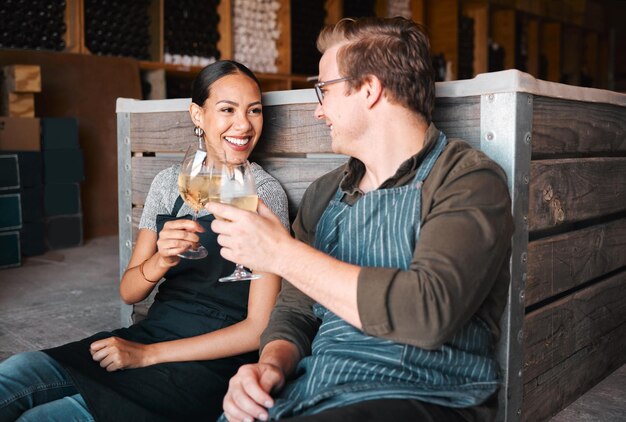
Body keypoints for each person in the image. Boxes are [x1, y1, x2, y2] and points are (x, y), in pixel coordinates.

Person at [207, 17, 514, 422]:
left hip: (420, 394)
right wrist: (270, 365)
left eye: (324, 90)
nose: (318, 111)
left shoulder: (467, 178)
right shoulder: (326, 192)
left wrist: (281, 254)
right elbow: (296, 310)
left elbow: (429, 311)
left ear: (369, 89)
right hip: (320, 385)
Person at [0, 60, 289, 422]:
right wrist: (161, 261)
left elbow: (258, 327)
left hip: (208, 363)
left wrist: (147, 355)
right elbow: (129, 291)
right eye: (227, 109)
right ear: (197, 116)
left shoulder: (263, 193)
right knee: (19, 370)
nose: (244, 124)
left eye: (254, 111)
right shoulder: (169, 183)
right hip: (152, 331)